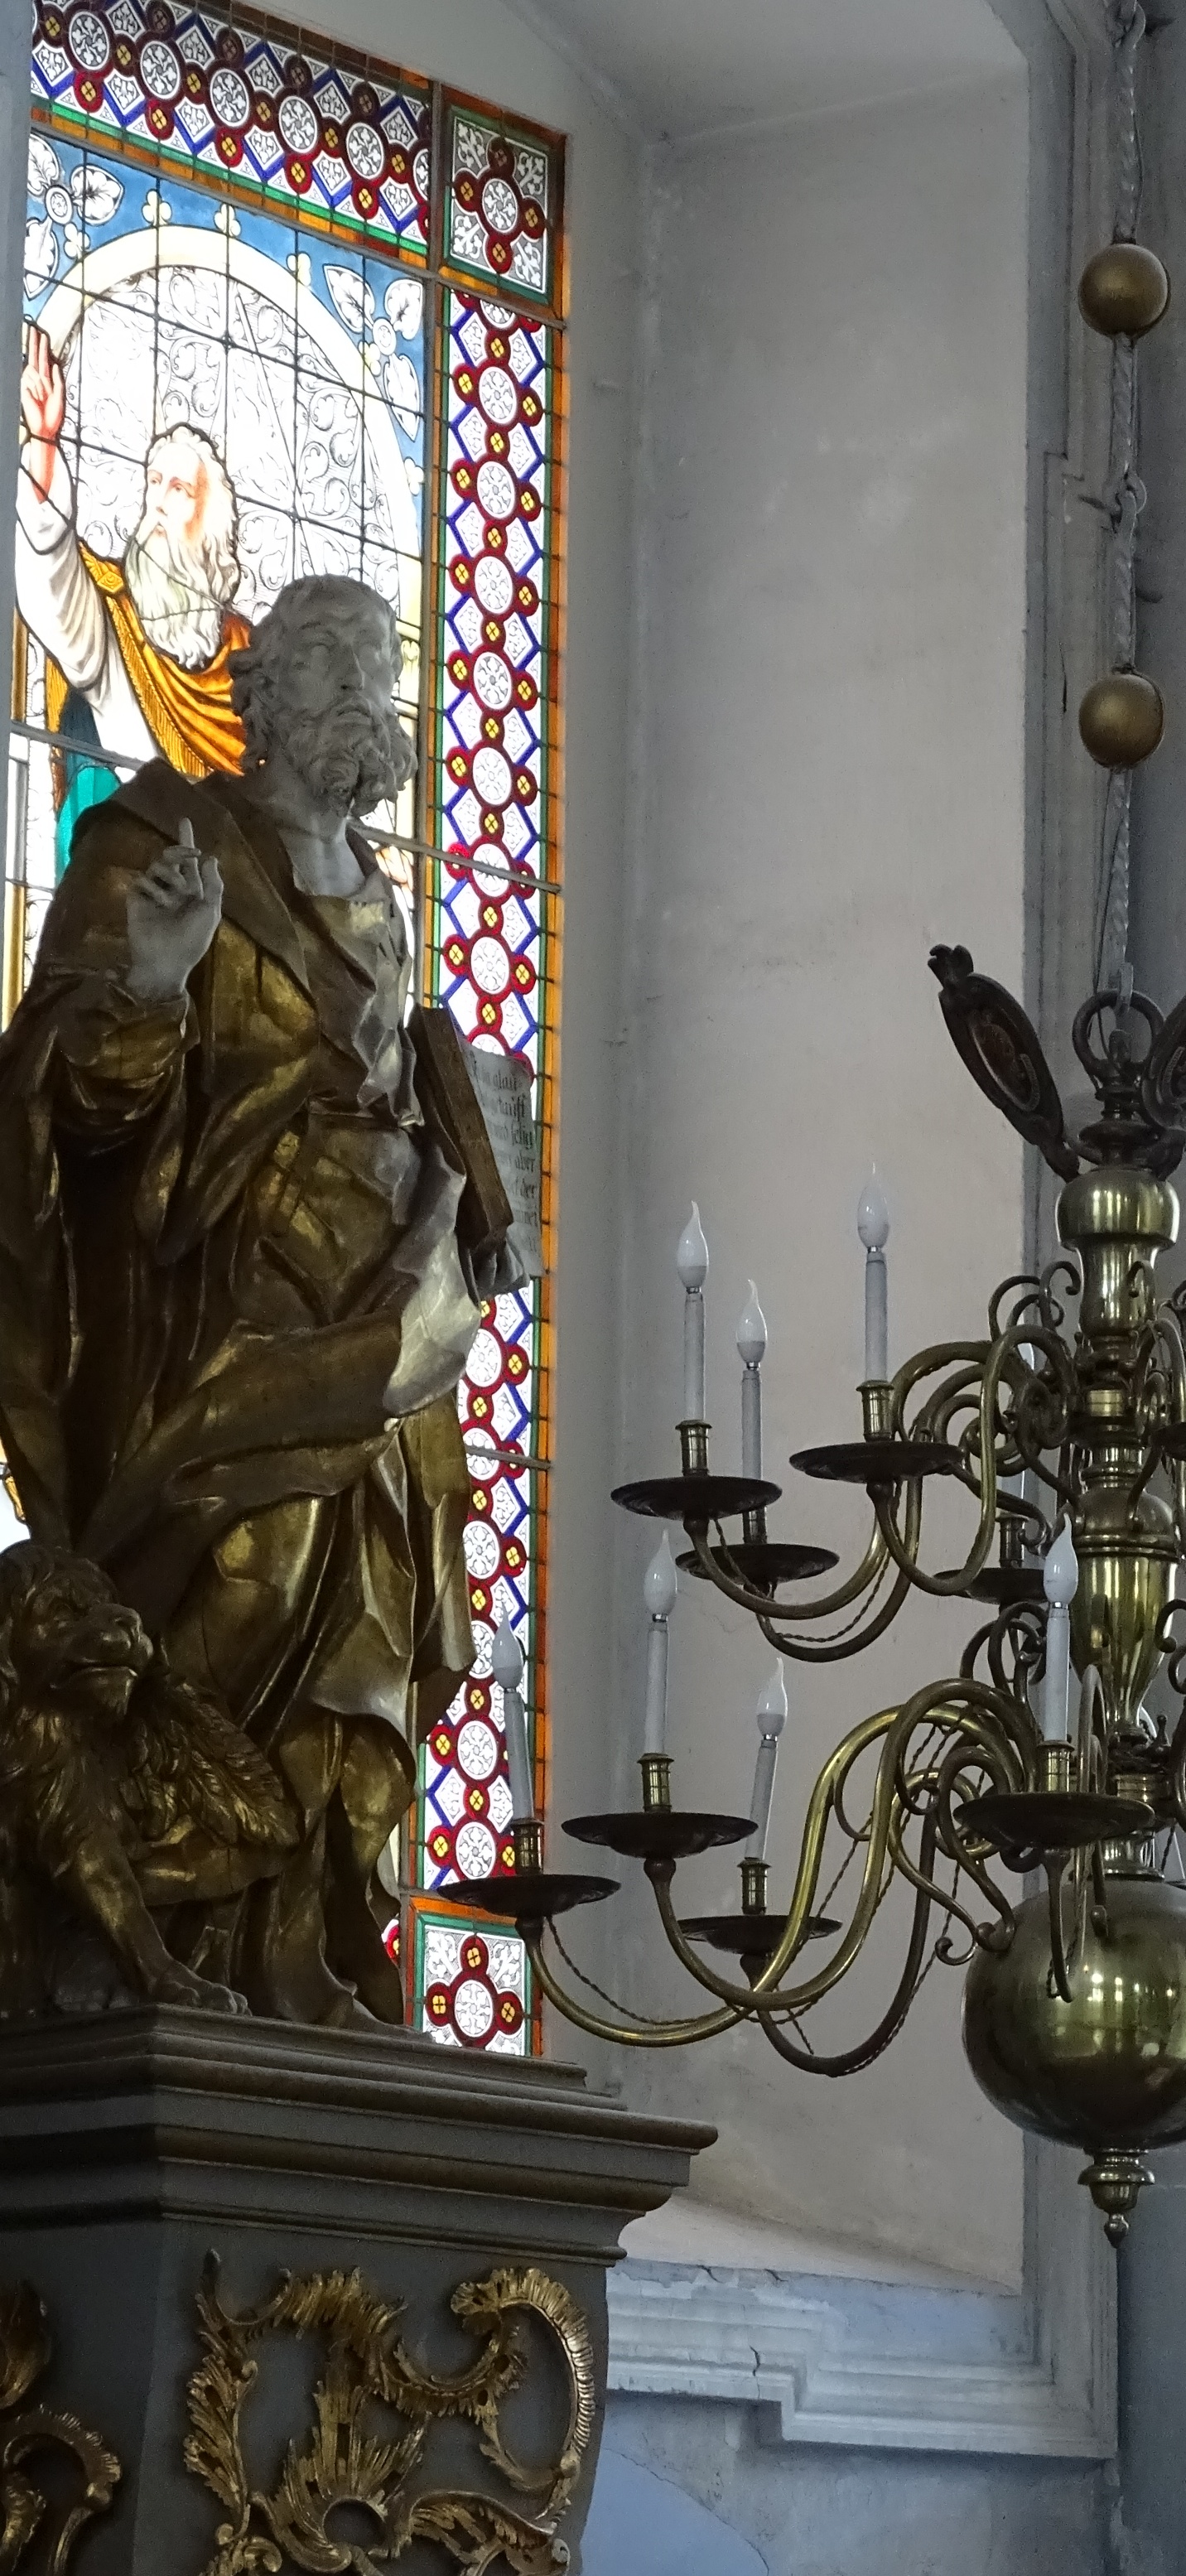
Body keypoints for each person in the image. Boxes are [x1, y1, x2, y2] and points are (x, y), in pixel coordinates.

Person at [0, 575, 520, 2025]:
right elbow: (76, 1115)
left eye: (391, 675)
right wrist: (151, 994)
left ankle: (317, 1949)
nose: (381, 703)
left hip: (396, 1307)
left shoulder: (380, 887)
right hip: (221, 1307)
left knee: (370, 1620)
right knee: (244, 1582)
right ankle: (147, 1936)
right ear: (274, 691)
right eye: (352, 671)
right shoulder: (156, 844)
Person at [16, 321, 251, 834]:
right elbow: (53, 588)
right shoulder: (114, 617)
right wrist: (45, 445)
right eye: (153, 481)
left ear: (210, 524)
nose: (158, 501)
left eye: (180, 489)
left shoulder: (251, 656)